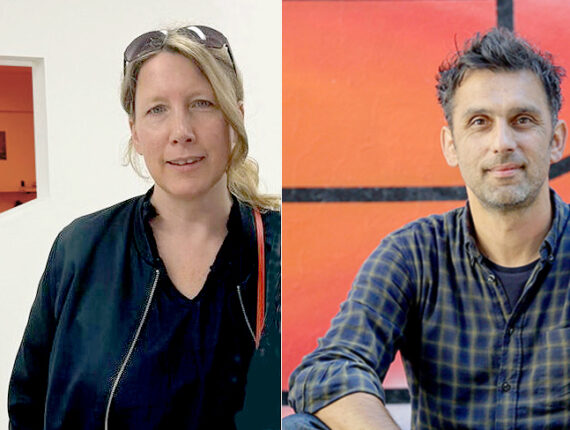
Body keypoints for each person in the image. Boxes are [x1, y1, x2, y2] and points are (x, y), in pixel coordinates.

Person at [284, 27, 570, 429]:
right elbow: (331, 368)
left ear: (555, 140)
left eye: (522, 120)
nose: (502, 142)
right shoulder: (414, 255)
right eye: (480, 122)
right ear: (451, 145)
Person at [8, 25, 281, 430]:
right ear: (135, 132)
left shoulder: (287, 252)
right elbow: (27, 407)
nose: (181, 132)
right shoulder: (80, 250)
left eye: (202, 103)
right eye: (157, 110)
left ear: (235, 118)